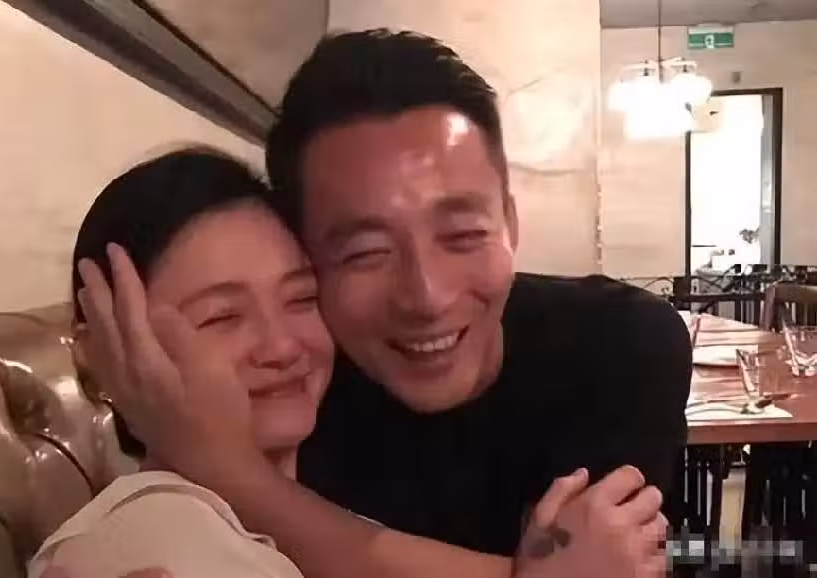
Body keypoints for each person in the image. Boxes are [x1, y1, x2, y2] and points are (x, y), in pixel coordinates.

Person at [79, 30, 690, 578]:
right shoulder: (298, 393)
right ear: (307, 251)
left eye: (462, 235)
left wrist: (232, 474)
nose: (427, 297)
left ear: (508, 219)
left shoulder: (616, 343)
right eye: (365, 252)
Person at [29, 148, 334, 578]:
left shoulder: (328, 512)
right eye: (221, 316)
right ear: (102, 354)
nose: (282, 346)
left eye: (302, 298)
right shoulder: (157, 543)